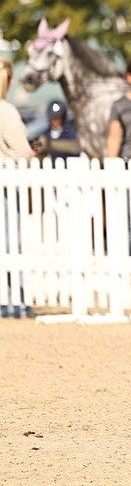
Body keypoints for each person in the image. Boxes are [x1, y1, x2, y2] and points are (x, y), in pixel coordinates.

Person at [0, 56, 35, 318]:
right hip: (6, 185)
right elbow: (22, 151)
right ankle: (17, 299)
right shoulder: (6, 111)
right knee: (13, 243)